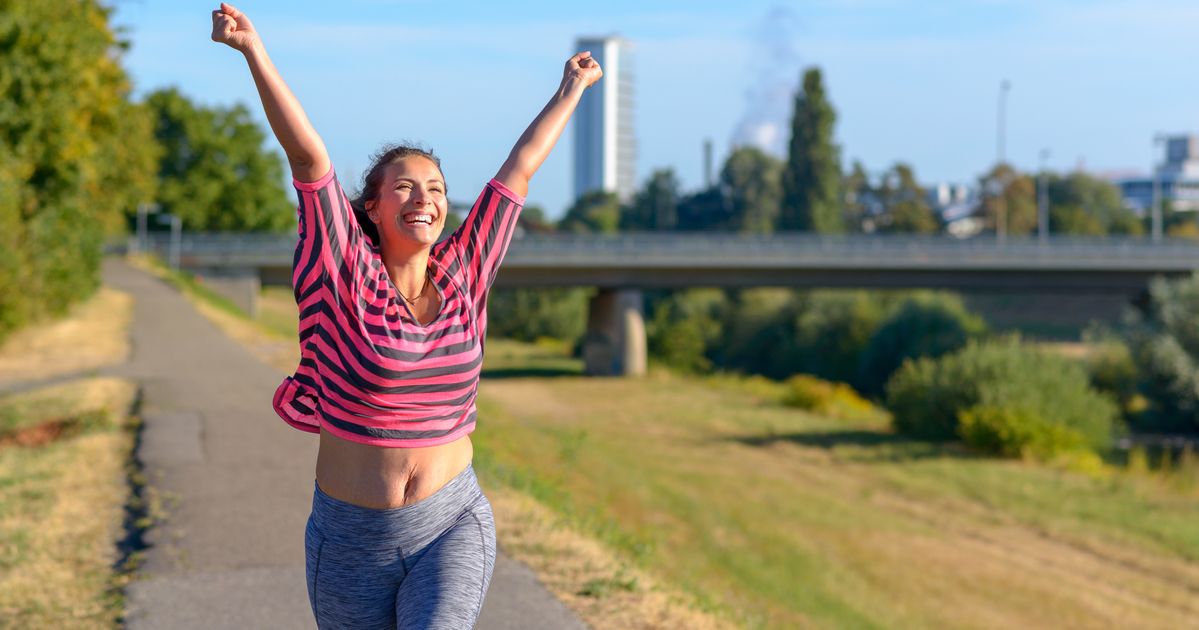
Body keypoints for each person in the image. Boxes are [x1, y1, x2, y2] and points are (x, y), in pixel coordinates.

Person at [210, 3, 602, 628]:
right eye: (405, 187)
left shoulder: (465, 270)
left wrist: (570, 89)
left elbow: (518, 170)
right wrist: (254, 51)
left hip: (451, 522)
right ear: (369, 207)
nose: (425, 199)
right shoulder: (340, 271)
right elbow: (310, 162)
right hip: (350, 539)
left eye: (437, 189)